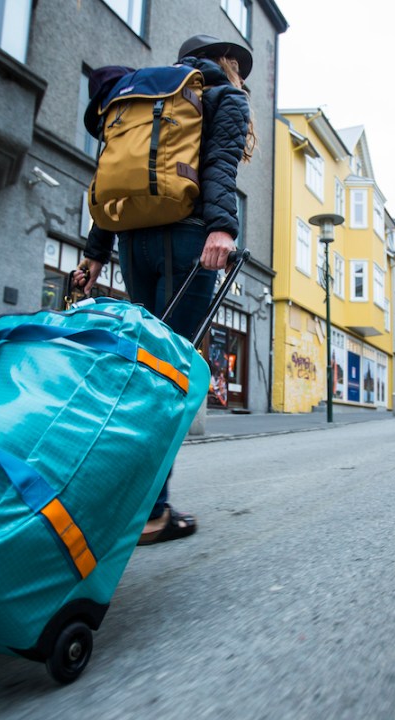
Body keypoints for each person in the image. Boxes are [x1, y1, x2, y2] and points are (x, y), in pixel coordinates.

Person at [75, 34, 255, 545]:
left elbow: (112, 178)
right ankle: (148, 510)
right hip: (189, 243)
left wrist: (94, 253)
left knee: (139, 371)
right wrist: (222, 226)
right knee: (167, 380)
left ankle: (114, 497)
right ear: (225, 65)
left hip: (132, 242)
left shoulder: (145, 98)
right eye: (235, 64)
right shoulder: (222, 96)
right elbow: (220, 164)